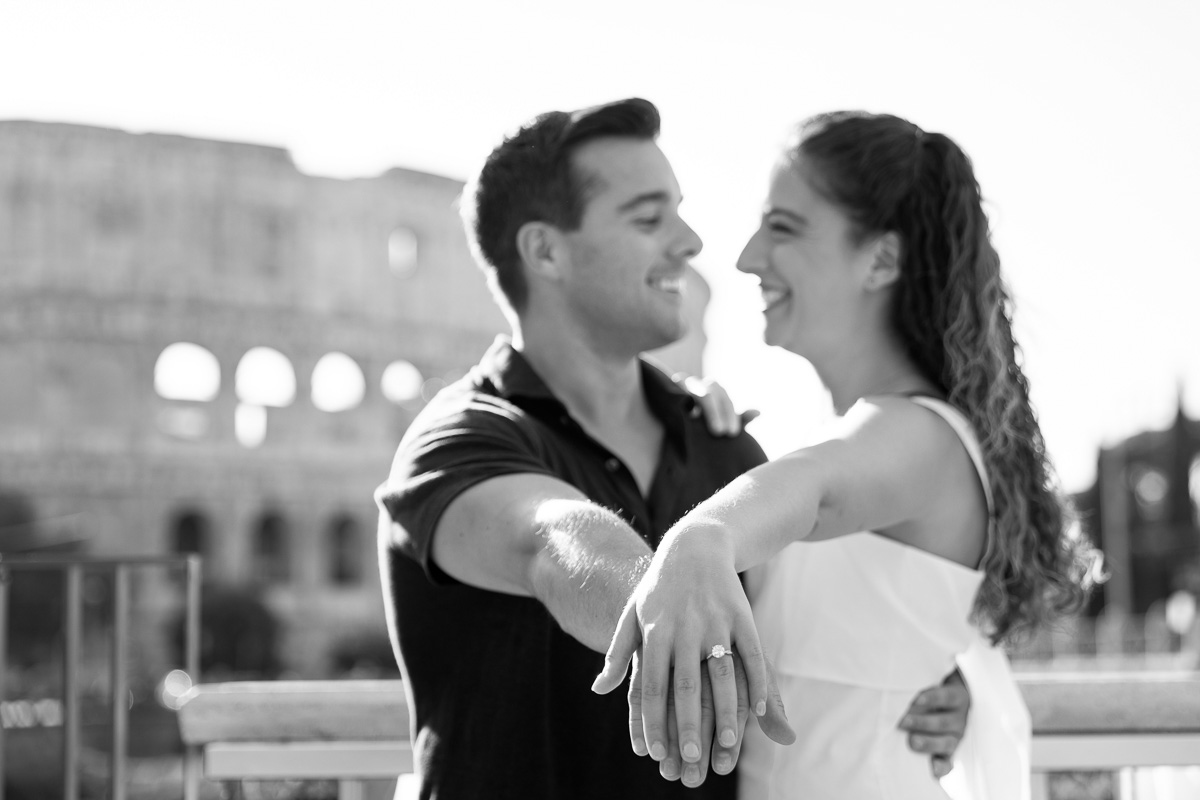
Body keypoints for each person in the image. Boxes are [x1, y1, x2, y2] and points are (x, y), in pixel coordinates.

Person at [375, 99, 969, 800]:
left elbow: (811, 621)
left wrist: (923, 679)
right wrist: (670, 594)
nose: (689, 243)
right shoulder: (456, 441)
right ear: (545, 251)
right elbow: (550, 541)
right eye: (648, 218)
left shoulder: (726, 444)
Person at [593, 110, 1101, 799]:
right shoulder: (857, 434)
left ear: (882, 259)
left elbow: (817, 489)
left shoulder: (920, 435)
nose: (746, 257)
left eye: (784, 227)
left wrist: (703, 537)